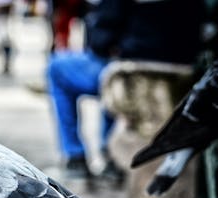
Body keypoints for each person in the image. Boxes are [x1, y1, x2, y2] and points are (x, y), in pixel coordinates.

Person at [46, 0, 205, 181]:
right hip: (183, 75)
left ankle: (75, 157)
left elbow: (101, 42)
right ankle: (108, 155)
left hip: (132, 75)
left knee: (57, 68)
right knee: (111, 69)